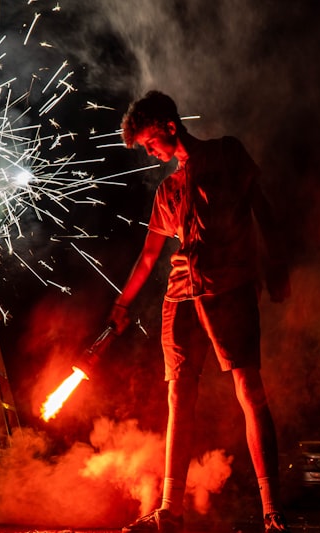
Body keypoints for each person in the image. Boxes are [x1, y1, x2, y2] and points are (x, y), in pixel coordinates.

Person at [108, 90, 292, 533]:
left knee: (249, 390)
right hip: (180, 296)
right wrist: (121, 304)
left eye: (151, 142)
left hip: (229, 287)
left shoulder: (228, 153)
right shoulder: (167, 189)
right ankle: (170, 511)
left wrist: (277, 265)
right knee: (178, 398)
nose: (151, 153)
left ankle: (272, 511)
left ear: (171, 126)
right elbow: (149, 256)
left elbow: (263, 210)